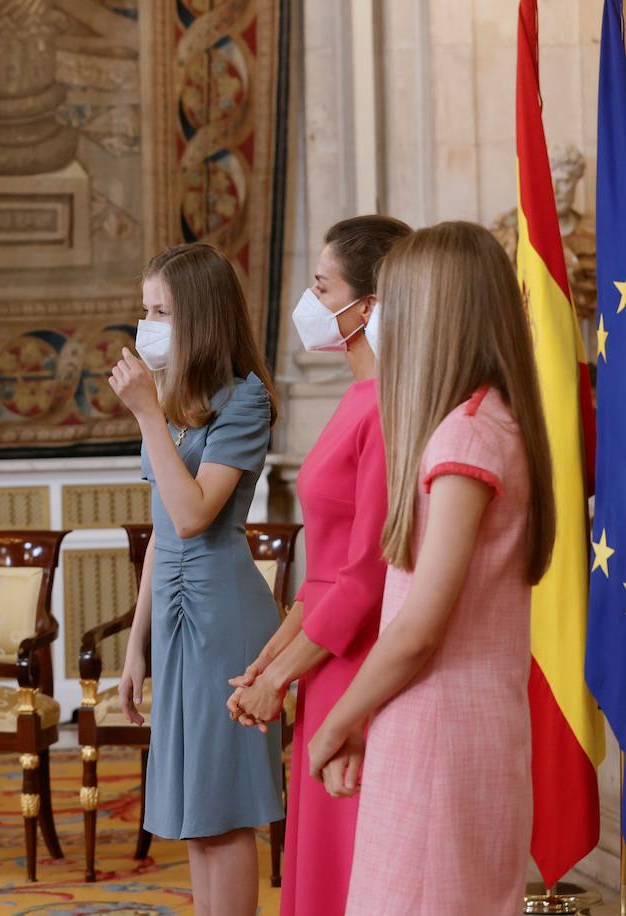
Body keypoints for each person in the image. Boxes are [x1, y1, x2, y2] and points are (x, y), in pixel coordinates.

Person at [307, 221, 553, 915]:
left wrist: (335, 725)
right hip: (463, 728)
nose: (380, 319)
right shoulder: (491, 418)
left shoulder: (465, 433)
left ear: (432, 312)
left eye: (392, 302)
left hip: (436, 737)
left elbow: (419, 627)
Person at [225, 215, 411, 916]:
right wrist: (267, 667)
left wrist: (280, 677)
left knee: (348, 865)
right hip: (323, 660)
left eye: (322, 285)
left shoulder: (390, 406)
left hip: (358, 660)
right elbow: (322, 570)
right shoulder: (355, 398)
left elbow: (363, 577)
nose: (312, 302)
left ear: (369, 305)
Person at [109, 243, 284, 916]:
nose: (146, 325)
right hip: (179, 622)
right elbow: (159, 535)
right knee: (194, 816)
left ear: (201, 319)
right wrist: (136, 644)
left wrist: (147, 414)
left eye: (162, 312)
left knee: (226, 812)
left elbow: (191, 518)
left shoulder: (243, 400)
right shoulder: (177, 404)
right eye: (144, 309)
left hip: (226, 619)